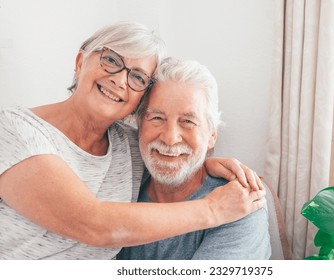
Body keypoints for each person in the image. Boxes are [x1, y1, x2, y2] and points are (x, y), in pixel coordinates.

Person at [0, 22, 265, 260]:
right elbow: (93, 223)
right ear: (80, 62)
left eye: (137, 77)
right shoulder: (13, 128)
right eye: (111, 60)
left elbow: (169, 152)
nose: (119, 80)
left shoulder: (127, 145)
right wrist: (212, 209)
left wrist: (206, 163)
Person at [116, 57, 271, 260]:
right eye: (157, 118)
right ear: (139, 128)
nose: (170, 138)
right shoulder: (122, 189)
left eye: (188, 121)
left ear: (212, 136)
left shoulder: (241, 205)